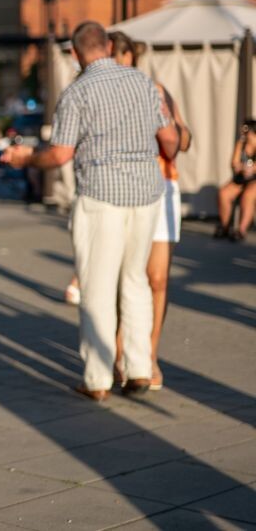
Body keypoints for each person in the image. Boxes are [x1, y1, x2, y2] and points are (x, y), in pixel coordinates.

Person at [2, 21, 179, 402]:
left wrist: (26, 157)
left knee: (97, 288)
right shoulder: (144, 83)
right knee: (135, 281)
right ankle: (139, 369)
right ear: (109, 46)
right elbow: (169, 138)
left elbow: (60, 154)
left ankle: (98, 377)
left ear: (77, 52)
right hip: (147, 193)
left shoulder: (78, 91)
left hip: (102, 196)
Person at [106, 32, 192, 391]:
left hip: (162, 185)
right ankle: (120, 354)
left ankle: (149, 355)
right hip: (119, 188)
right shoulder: (102, 91)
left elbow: (181, 141)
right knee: (122, 275)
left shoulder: (154, 89)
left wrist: (173, 129)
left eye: (115, 56)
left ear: (129, 55)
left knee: (156, 278)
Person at [214, 119, 256, 242]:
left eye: (246, 130)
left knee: (248, 196)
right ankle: (225, 226)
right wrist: (242, 168)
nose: (243, 133)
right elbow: (234, 163)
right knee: (223, 193)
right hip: (241, 178)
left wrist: (251, 168)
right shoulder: (241, 144)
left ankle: (241, 230)